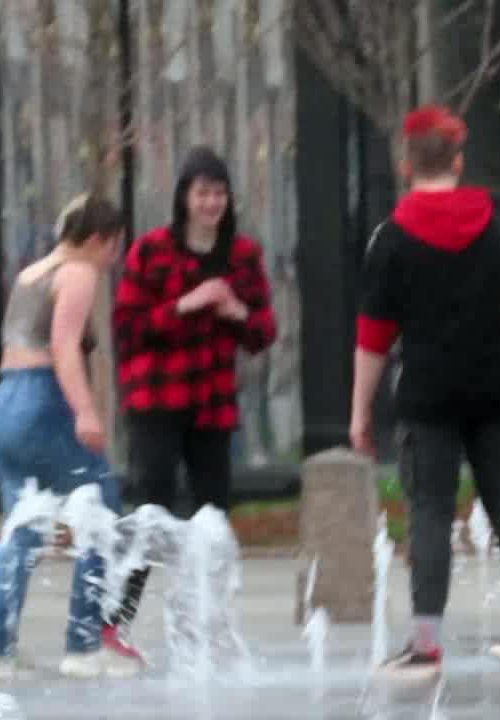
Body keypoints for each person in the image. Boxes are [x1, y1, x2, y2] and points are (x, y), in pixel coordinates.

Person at [350, 105, 500, 677]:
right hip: (497, 390)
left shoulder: (391, 239)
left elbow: (373, 336)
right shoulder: (493, 227)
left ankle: (426, 644)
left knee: (431, 513)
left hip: (429, 396)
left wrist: (359, 413)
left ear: (405, 165)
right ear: (458, 162)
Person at [0, 194, 143, 683]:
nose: (114, 258)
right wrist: (86, 411)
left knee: (22, 529)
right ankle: (84, 647)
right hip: (45, 401)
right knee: (102, 511)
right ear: (97, 240)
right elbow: (64, 348)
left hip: (6, 401)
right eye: (114, 246)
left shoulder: (31, 274)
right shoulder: (78, 273)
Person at [111, 146, 277, 630]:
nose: (211, 203)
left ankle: (208, 620)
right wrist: (187, 304)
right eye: (203, 193)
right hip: (156, 398)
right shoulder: (151, 251)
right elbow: (127, 329)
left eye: (219, 193)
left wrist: (236, 311)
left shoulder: (243, 256)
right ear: (185, 196)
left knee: (214, 514)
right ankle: (115, 619)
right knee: (152, 507)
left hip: (212, 402)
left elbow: (263, 332)